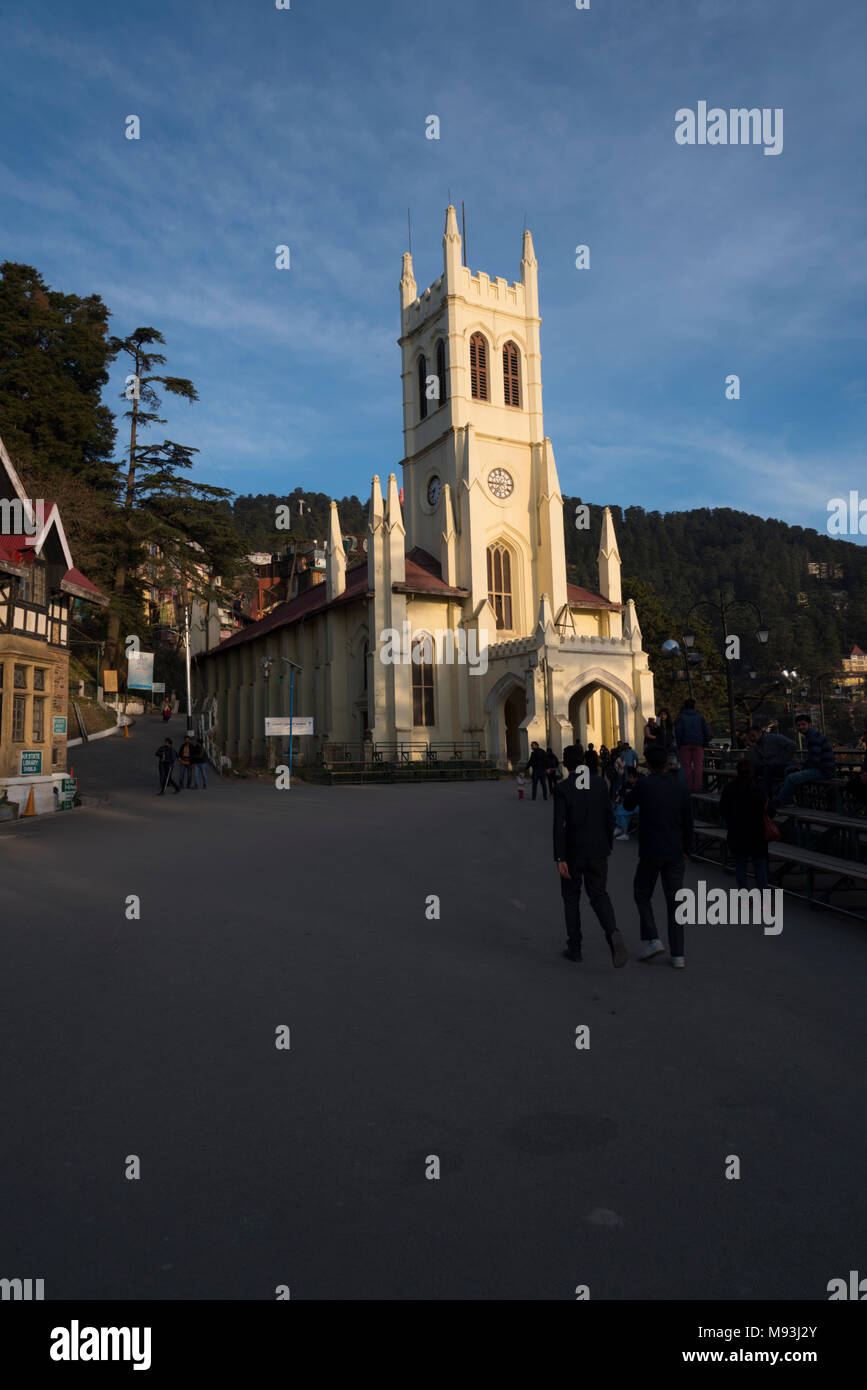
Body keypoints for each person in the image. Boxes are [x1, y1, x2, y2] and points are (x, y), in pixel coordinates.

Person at [552, 745, 628, 968]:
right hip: (598, 851)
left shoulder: (563, 788)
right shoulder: (599, 784)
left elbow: (558, 827)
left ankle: (575, 948)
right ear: (584, 761)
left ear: (566, 764)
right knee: (599, 895)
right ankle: (612, 931)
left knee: (571, 899)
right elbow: (609, 817)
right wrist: (608, 848)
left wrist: (559, 858)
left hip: (573, 853)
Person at [622, 743, 694, 967]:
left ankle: (653, 938)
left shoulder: (644, 784)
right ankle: (678, 954)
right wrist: (687, 849)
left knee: (642, 892)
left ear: (649, 765)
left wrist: (633, 788)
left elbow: (627, 804)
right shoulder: (680, 786)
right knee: (675, 901)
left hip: (651, 850)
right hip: (675, 850)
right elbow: (688, 821)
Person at [719, 759, 770, 890]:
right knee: (760, 865)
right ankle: (763, 897)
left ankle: (744, 896)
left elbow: (722, 809)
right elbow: (769, 810)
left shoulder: (729, 789)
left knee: (741, 865)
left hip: (737, 833)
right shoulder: (758, 789)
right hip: (757, 833)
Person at [772, 713, 835, 811]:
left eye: (803, 724)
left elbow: (815, 760)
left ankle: (778, 802)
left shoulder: (814, 737)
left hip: (823, 770)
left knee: (791, 778)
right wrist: (801, 766)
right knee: (788, 770)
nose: (801, 727)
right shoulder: (811, 735)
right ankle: (789, 801)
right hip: (818, 767)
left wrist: (802, 767)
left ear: (809, 724)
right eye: (798, 725)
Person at [745, 725, 796, 801]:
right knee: (753, 770)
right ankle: (753, 794)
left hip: (785, 765)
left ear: (760, 733)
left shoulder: (774, 738)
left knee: (768, 770)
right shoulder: (756, 745)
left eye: (753, 736)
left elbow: (792, 745)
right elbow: (757, 761)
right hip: (770, 766)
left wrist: (782, 760)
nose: (752, 739)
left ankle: (767, 797)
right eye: (750, 737)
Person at [675, 699, 711, 791]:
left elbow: (678, 733)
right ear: (694, 706)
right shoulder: (700, 717)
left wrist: (679, 744)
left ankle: (689, 786)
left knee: (687, 766)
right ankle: (698, 786)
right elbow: (706, 731)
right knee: (698, 765)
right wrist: (705, 742)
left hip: (685, 744)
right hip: (698, 744)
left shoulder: (681, 717)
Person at [613, 766, 641, 839]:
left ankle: (622, 830)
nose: (629, 779)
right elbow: (620, 793)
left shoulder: (639, 785)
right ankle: (622, 830)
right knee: (620, 810)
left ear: (636, 778)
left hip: (638, 806)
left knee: (620, 810)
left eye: (631, 777)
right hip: (631, 805)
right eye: (629, 777)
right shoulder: (627, 784)